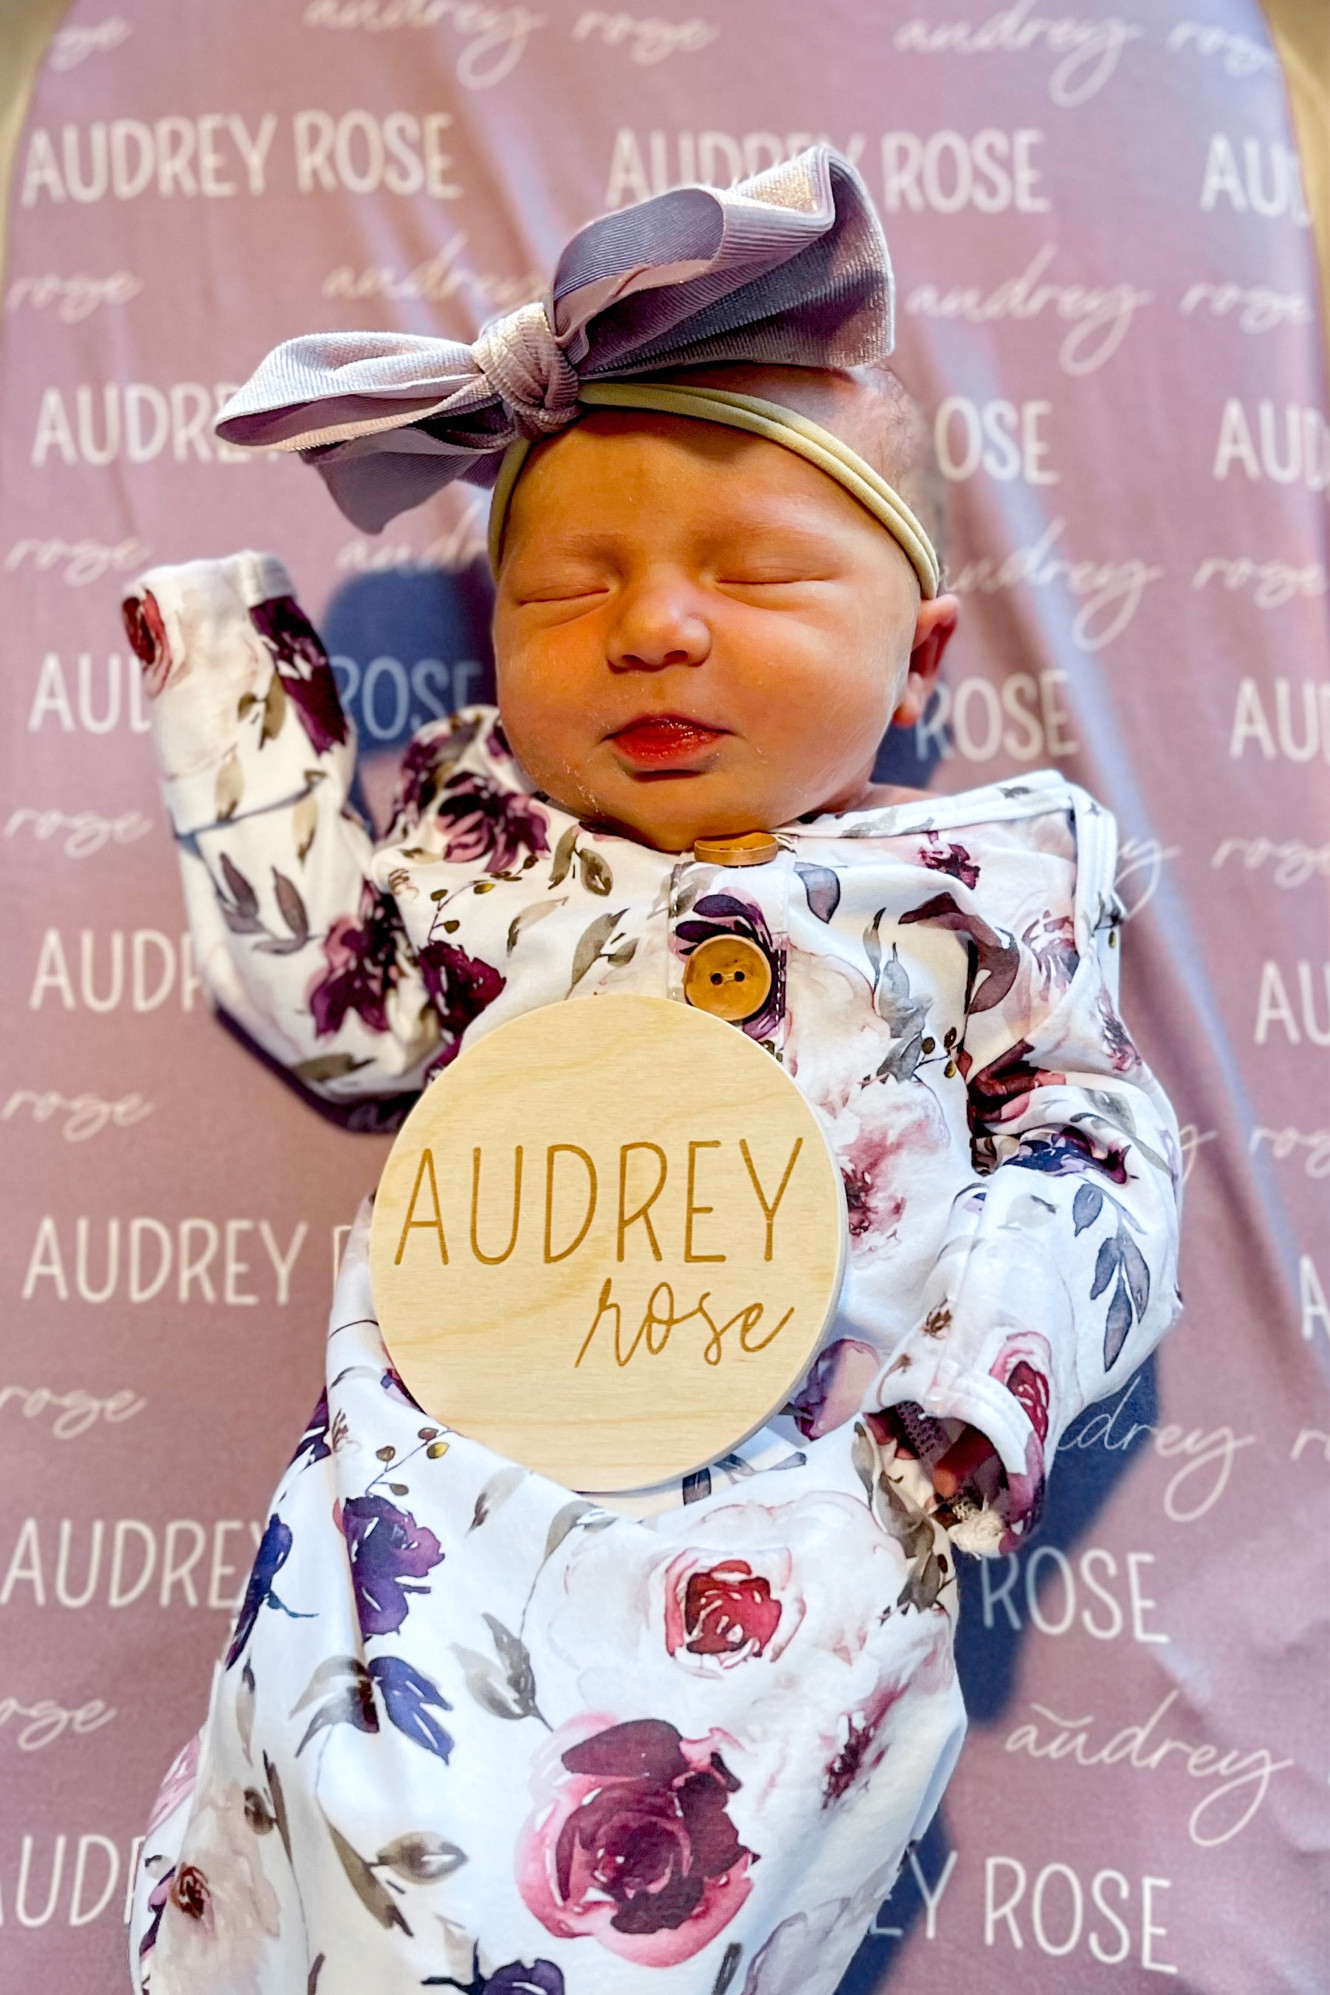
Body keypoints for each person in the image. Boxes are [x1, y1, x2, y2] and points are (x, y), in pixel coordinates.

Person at [122, 148, 1182, 1995]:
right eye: (562, 594)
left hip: (815, 1470)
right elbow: (346, 1005)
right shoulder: (489, 841)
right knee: (350, 1771)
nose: (651, 628)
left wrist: (985, 1379)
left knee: (702, 1848)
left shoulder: (975, 877)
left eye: (755, 571)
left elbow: (1092, 1138)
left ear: (918, 651)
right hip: (445, 1452)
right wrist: (229, 684)